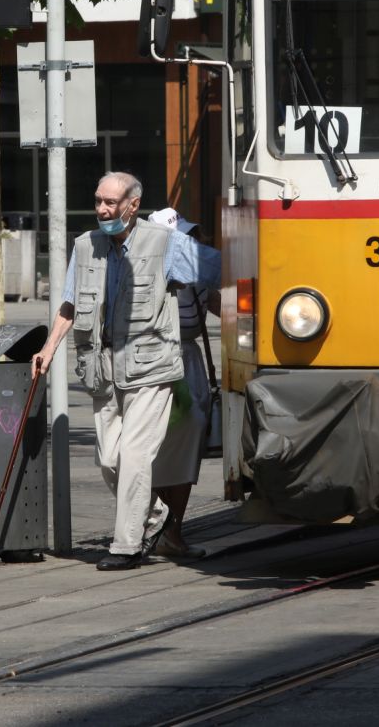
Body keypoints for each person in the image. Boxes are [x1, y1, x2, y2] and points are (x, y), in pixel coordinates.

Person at [30, 172, 220, 571]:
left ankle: (127, 545)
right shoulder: (86, 247)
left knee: (135, 455)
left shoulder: (165, 243)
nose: (102, 209)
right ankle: (154, 516)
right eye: (98, 200)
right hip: (103, 368)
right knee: (109, 459)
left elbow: (220, 270)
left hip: (153, 367)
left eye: (111, 203)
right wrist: (48, 348)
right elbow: (68, 304)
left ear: (133, 205)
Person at [147, 208, 220, 561]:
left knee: (182, 453)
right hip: (164, 367)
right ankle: (161, 529)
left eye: (188, 237)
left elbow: (225, 307)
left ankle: (170, 531)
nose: (188, 244)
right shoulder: (151, 275)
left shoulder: (197, 277)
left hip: (186, 368)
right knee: (162, 452)